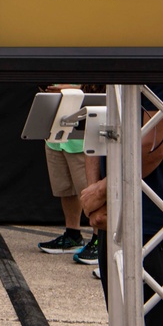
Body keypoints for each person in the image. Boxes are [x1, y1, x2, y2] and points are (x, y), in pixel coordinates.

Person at [81, 84, 163, 326]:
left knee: (159, 324)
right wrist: (96, 201)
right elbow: (96, 128)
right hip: (113, 219)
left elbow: (153, 148)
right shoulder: (113, 60)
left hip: (155, 222)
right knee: (122, 323)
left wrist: (100, 193)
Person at [36, 84, 100, 266]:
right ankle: (72, 234)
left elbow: (100, 83)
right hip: (56, 125)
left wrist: (73, 87)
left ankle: (99, 239)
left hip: (82, 125)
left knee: (89, 188)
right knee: (65, 187)